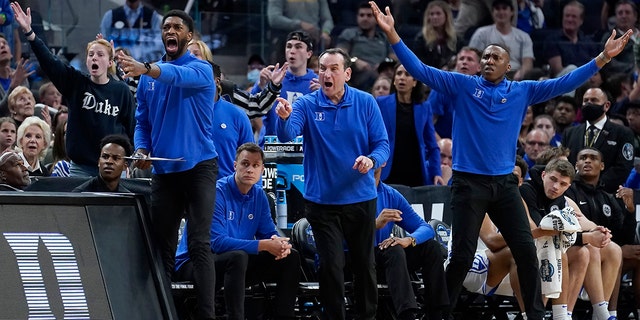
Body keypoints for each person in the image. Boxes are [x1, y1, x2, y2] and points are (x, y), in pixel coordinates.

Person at [369, 2, 632, 318]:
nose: (487, 60)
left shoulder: (522, 90)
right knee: (462, 256)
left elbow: (565, 82)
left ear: (508, 65)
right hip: (468, 183)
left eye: (495, 57)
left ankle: (535, 314)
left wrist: (603, 58)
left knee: (526, 251)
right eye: (484, 57)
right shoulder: (464, 84)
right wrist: (393, 33)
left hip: (505, 184)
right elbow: (421, 71)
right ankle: (438, 313)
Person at [113, 9, 218, 319]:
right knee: (162, 248)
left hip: (200, 168)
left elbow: (176, 76)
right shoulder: (149, 78)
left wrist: (145, 68)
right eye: (166, 27)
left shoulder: (201, 70)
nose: (170, 30)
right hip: (164, 172)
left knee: (199, 243)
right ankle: (161, 312)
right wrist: (142, 148)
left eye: (177, 27)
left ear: (189, 36)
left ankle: (207, 315)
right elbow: (142, 120)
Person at [275, 47, 390, 320]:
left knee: (364, 265)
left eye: (333, 69)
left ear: (347, 74)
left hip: (361, 199)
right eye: (322, 69)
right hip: (321, 203)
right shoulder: (305, 103)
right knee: (331, 266)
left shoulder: (366, 102)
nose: (326, 74)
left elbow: (382, 144)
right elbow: (288, 135)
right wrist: (284, 118)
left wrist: (372, 160)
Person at [175, 143, 299, 320]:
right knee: (238, 256)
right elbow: (217, 243)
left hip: (236, 266)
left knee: (291, 257)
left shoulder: (259, 195)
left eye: (256, 166)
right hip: (195, 264)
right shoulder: (216, 193)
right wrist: (263, 245)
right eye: (245, 164)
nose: (250, 170)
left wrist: (279, 244)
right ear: (235, 165)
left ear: (262, 170)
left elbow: (269, 232)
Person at [12, 2, 136, 177]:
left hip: (115, 168)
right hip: (81, 168)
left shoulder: (121, 91)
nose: (94, 58)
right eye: (91, 54)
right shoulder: (76, 83)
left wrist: (128, 162)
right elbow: (50, 62)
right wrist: (30, 33)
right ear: (86, 61)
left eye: (100, 55)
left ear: (110, 62)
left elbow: (131, 129)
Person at [373, 165, 448, 320]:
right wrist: (374, 224)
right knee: (393, 250)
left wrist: (409, 240)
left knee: (431, 248)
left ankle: (437, 314)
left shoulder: (390, 194)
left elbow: (426, 228)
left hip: (386, 259)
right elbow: (341, 234)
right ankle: (407, 315)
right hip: (358, 258)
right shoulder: (350, 193)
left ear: (383, 162)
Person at [563, 148, 626, 318]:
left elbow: (621, 230)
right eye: (583, 158)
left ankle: (602, 312)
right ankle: (601, 311)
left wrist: (630, 210)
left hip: (601, 246)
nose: (588, 161)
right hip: (571, 245)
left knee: (615, 249)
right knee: (591, 246)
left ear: (602, 165)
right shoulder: (567, 190)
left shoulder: (607, 197)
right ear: (576, 164)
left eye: (593, 158)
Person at [186, 39, 288, 120]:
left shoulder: (225, 91)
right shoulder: (174, 89)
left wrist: (274, 85)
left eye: (196, 54)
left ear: (207, 61)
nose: (190, 56)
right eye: (187, 53)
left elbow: (255, 105)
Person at [377, 63, 442, 186]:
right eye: (399, 74)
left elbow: (432, 146)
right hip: (388, 172)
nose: (402, 77)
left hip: (415, 172)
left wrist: (436, 173)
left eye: (407, 74)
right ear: (394, 81)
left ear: (414, 82)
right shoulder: (381, 103)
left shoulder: (424, 107)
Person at [562, 87, 635, 194]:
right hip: (573, 192)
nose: (588, 103)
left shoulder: (623, 133)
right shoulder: (570, 132)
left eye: (594, 100)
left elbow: (623, 167)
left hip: (606, 194)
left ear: (606, 106)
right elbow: (564, 162)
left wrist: (596, 184)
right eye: (585, 100)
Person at [252, 31, 319, 143]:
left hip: (305, 149)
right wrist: (261, 86)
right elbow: (252, 109)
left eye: (298, 47)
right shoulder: (273, 78)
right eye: (289, 46)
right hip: (271, 148)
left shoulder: (318, 83)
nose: (292, 51)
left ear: (309, 53)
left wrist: (324, 97)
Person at [467, 0, 534, 81]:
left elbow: (528, 63)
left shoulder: (524, 36)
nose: (501, 12)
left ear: (512, 12)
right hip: (489, 75)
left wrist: (521, 74)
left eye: (504, 8)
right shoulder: (481, 33)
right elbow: (472, 57)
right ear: (492, 13)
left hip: (515, 75)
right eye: (497, 9)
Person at [336, 1, 395, 91]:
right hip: (357, 74)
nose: (365, 18)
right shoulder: (349, 34)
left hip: (381, 75)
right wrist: (354, 61)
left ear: (376, 19)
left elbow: (394, 58)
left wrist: (383, 66)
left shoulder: (384, 37)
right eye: (362, 15)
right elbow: (339, 54)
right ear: (357, 17)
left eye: (369, 15)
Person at [426, 46, 482, 139]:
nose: (464, 62)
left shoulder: (484, 92)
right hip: (442, 146)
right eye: (461, 59)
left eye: (470, 59)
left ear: (479, 67)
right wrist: (443, 146)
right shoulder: (442, 88)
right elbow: (427, 123)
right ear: (456, 64)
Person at [210, 62, 255, 178]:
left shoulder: (237, 115)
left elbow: (251, 158)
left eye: (205, 77)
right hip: (190, 190)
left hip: (227, 190)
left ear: (217, 81)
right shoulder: (185, 114)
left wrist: (254, 192)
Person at [543, 1, 600, 77]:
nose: (569, 19)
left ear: (581, 21)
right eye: (567, 16)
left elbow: (596, 66)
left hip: (588, 81)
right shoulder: (552, 40)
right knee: (571, 68)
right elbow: (558, 70)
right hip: (566, 81)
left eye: (574, 16)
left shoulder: (588, 42)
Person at [267, 0, 334, 62]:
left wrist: (325, 32)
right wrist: (300, 24)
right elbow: (274, 19)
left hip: (314, 42)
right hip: (286, 41)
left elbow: (327, 19)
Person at [412, 1, 459, 69]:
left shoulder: (456, 38)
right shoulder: (421, 39)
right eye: (432, 14)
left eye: (438, 14)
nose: (435, 17)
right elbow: (419, 64)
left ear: (446, 16)